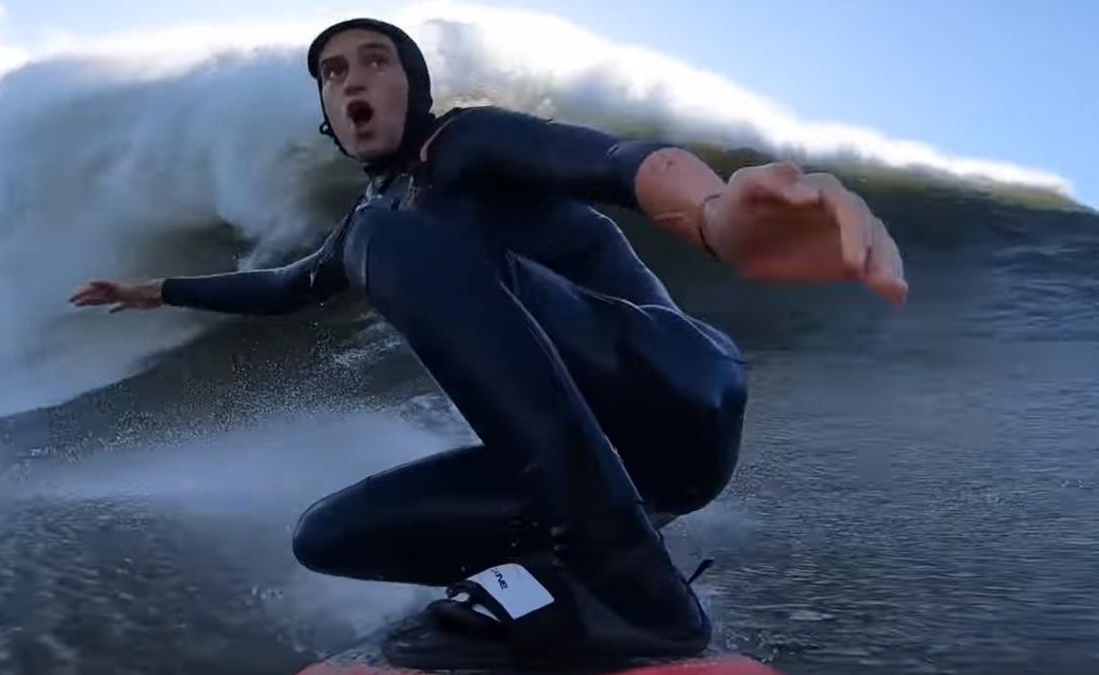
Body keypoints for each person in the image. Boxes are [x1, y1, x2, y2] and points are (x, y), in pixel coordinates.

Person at [70, 18, 906, 670]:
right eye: (333, 72)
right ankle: (555, 577)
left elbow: (615, 161)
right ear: (326, 109)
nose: (352, 79)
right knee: (329, 535)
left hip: (677, 387)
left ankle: (630, 588)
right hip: (623, 474)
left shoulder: (465, 144)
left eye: (375, 61)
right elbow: (287, 286)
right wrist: (157, 291)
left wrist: (716, 214)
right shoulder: (373, 217)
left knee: (387, 243)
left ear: (415, 86)